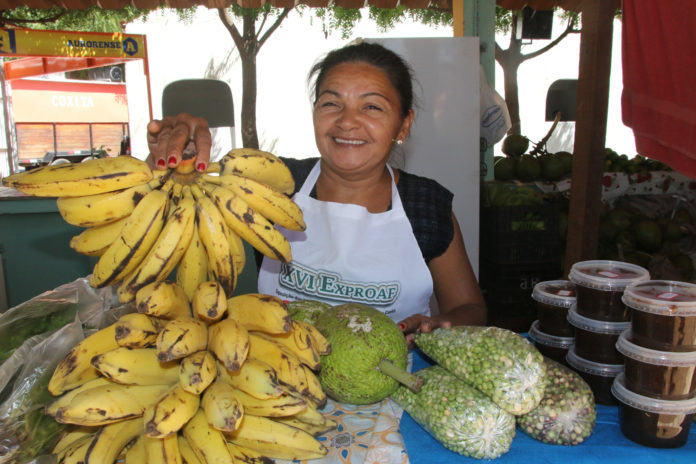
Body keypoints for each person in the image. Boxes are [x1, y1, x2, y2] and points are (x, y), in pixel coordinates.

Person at [146, 41, 486, 343]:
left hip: (392, 389)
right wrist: (178, 164)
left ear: (403, 125)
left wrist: (441, 323)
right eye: (331, 104)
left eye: (372, 107)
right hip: (276, 382)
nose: (347, 121)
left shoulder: (427, 206)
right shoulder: (270, 184)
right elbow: (177, 219)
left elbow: (469, 307)